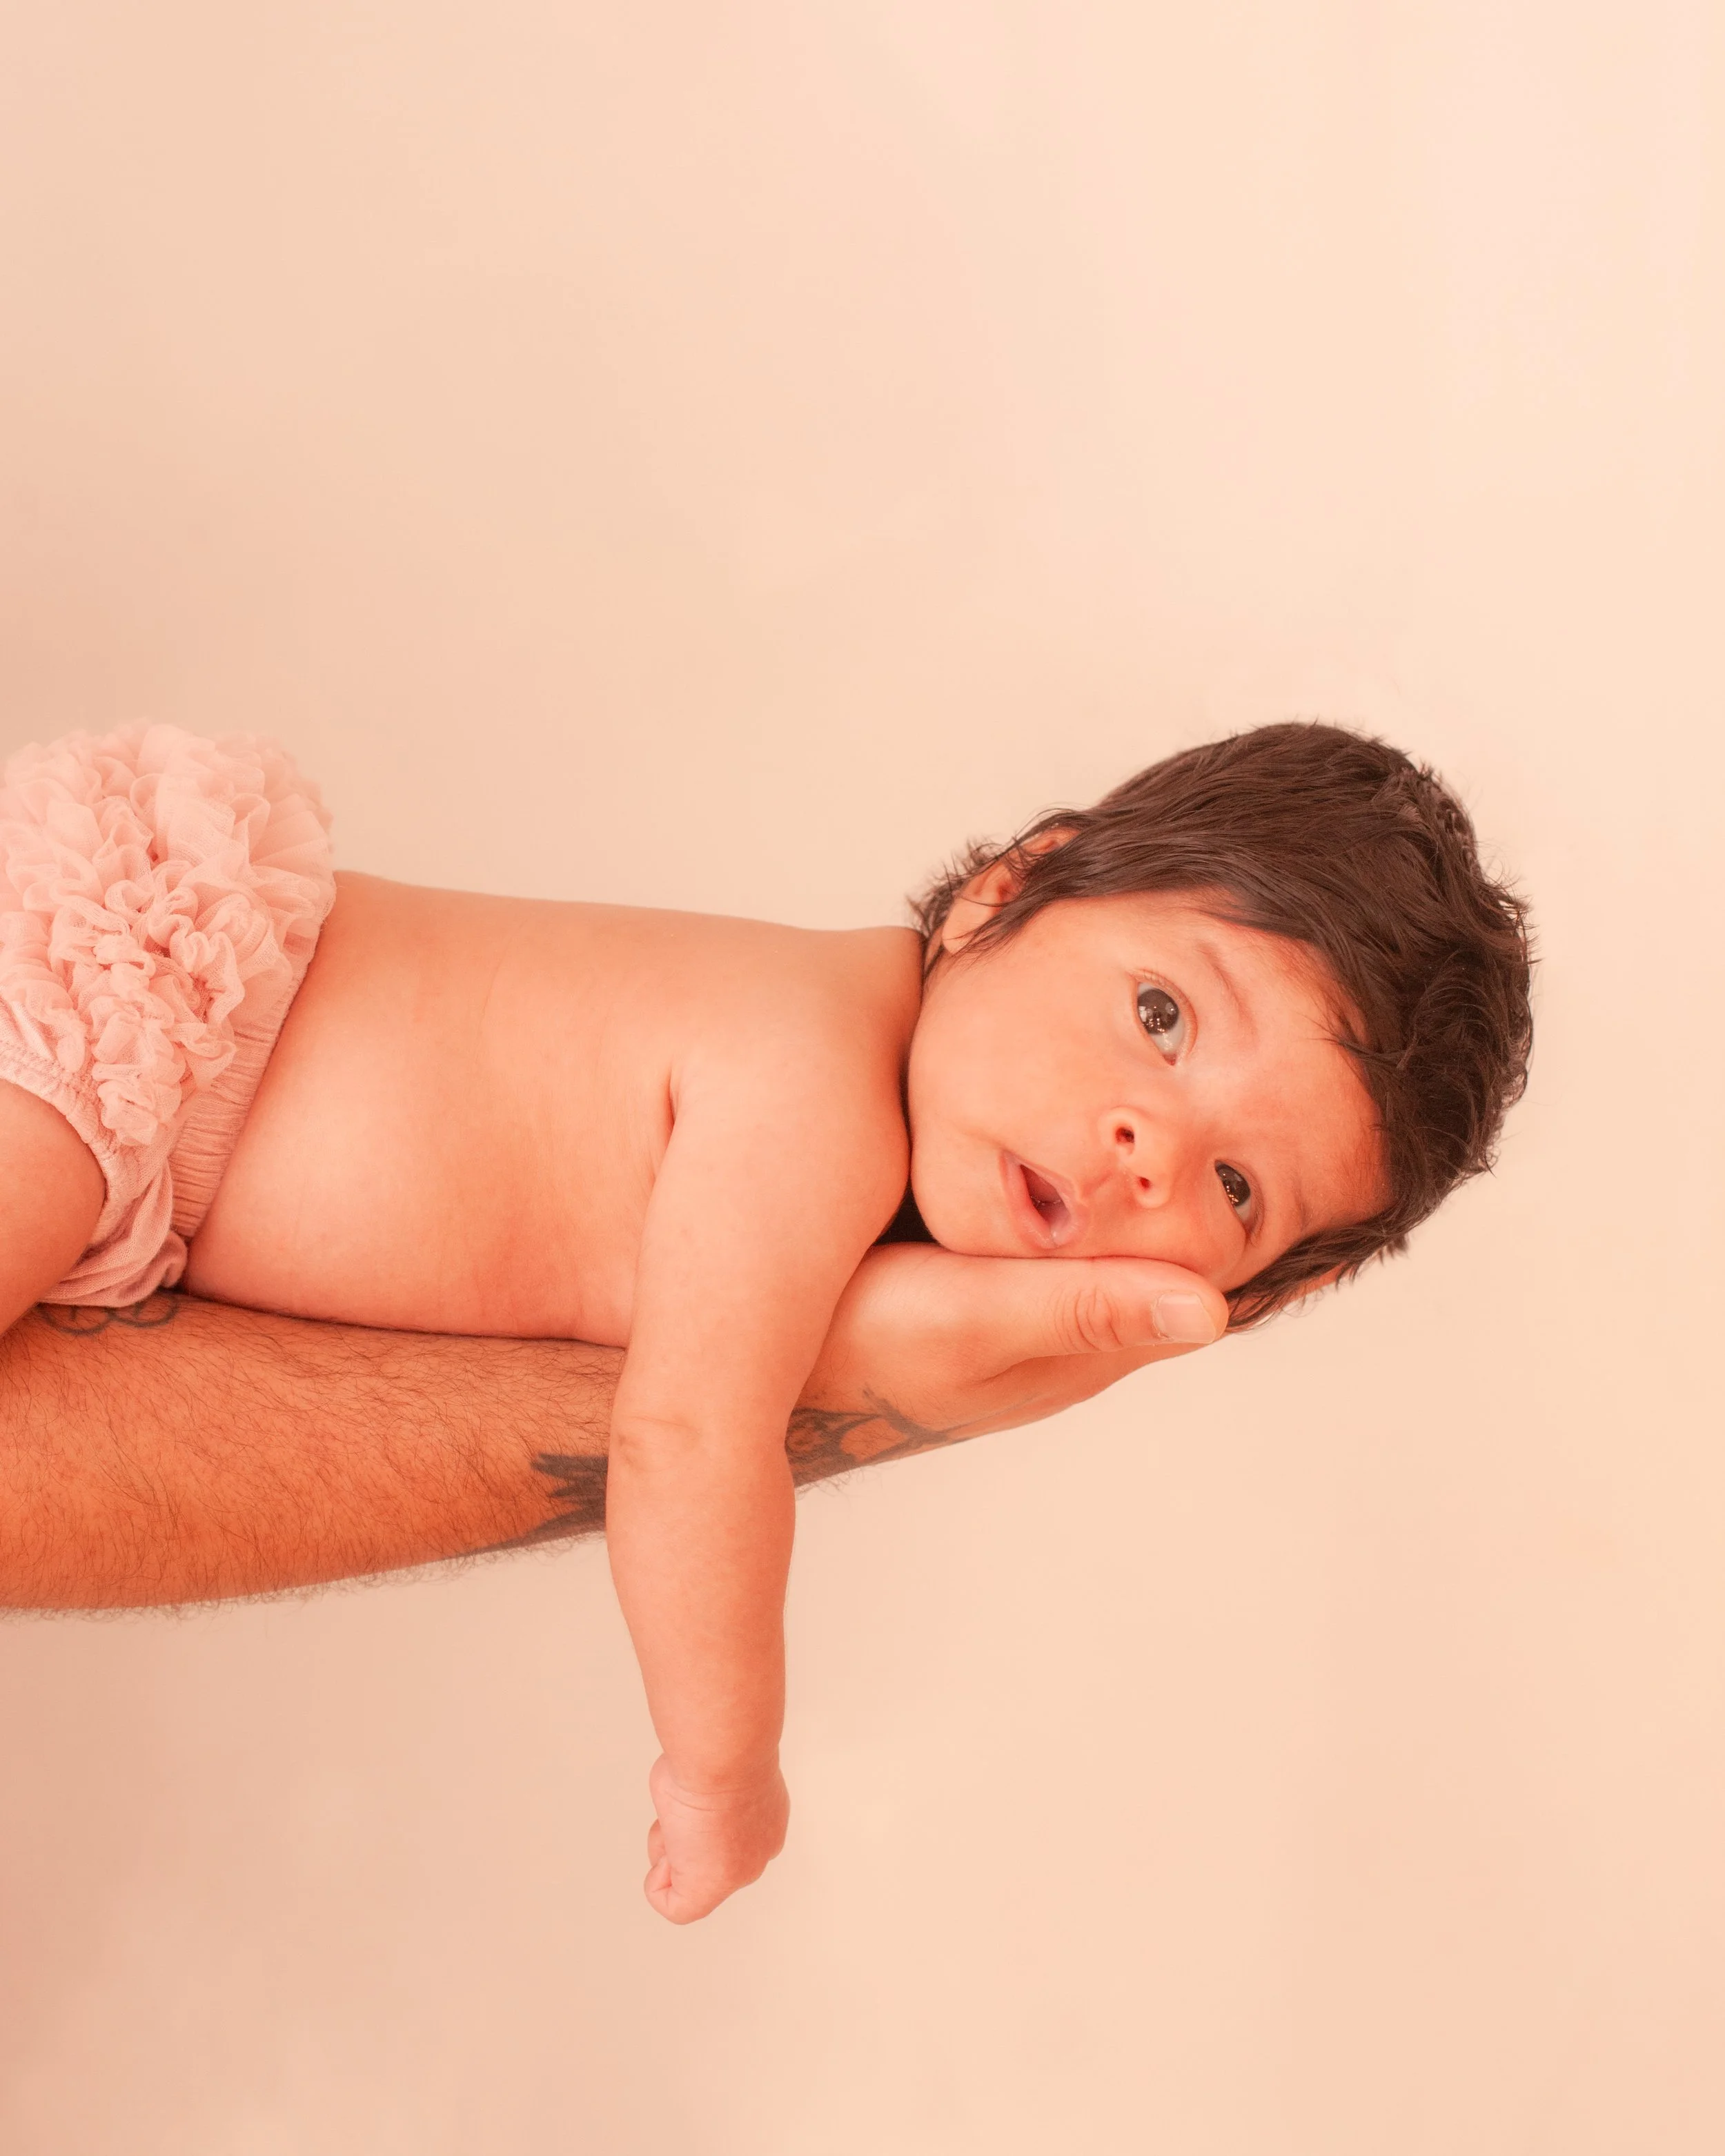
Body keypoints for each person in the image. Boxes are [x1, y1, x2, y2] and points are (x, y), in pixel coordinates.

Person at [0, 720, 1532, 1921]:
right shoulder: (812, 1077)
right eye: (1160, 1015)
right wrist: (722, 1768)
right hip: (123, 993)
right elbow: (682, 1438)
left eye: (1235, 1183)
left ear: (1254, 1296)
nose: (1145, 1140)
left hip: (141, 1112)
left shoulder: (872, 1155)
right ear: (1011, 885)